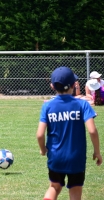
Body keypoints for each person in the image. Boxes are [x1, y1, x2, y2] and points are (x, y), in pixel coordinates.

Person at [36, 66, 102, 200]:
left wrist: (43, 149)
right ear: (74, 85)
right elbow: (92, 131)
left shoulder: (47, 106)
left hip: (56, 156)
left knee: (54, 187)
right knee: (75, 190)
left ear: (52, 86)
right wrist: (97, 151)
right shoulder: (82, 105)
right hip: (76, 158)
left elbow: (40, 134)